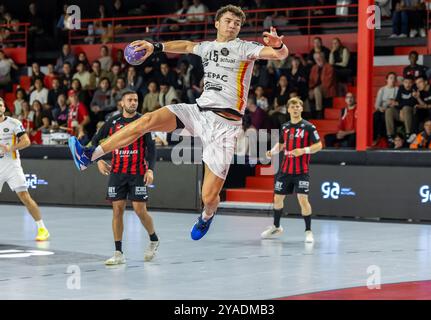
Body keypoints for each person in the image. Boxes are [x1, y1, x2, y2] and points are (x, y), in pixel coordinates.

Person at [68, 5, 289, 241]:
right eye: (228, 20)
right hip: (199, 112)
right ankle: (88, 156)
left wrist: (278, 45)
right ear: (217, 23)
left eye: (237, 22)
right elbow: (185, 45)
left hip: (225, 126)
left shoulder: (245, 48)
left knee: (209, 197)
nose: (233, 25)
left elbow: (279, 55)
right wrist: (156, 46)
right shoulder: (207, 48)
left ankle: (206, 216)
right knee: (147, 120)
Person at [90, 90, 159, 265]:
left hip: (137, 172)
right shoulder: (112, 121)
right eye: (130, 100)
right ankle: (118, 252)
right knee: (117, 210)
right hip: (117, 172)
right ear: (122, 103)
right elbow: (96, 140)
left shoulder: (143, 121)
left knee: (139, 210)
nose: (133, 103)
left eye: (136, 100)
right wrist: (97, 159)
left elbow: (151, 148)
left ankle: (153, 239)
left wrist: (150, 170)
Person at [262, 97, 322, 242]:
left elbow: (319, 145)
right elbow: (281, 144)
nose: (295, 109)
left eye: (298, 106)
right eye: (292, 106)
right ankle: (276, 227)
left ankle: (308, 231)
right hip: (285, 170)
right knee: (277, 199)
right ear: (288, 109)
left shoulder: (309, 127)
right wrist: (272, 151)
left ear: (301, 109)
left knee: (302, 199)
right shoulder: (285, 127)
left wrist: (304, 150)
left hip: (301, 171)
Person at [0, 97, 50, 241]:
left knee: (25, 197)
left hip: (12, 165)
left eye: (1, 105)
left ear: (4, 108)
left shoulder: (14, 123)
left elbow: (26, 141)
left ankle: (42, 229)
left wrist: (11, 148)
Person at [373, 72, 398, 141]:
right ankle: (375, 137)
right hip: (382, 109)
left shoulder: (397, 89)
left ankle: (385, 137)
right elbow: (376, 104)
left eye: (394, 78)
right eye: (391, 78)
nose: (392, 80)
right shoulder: (382, 90)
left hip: (392, 109)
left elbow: (397, 102)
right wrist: (380, 108)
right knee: (376, 115)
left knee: (384, 116)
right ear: (386, 79)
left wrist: (392, 103)